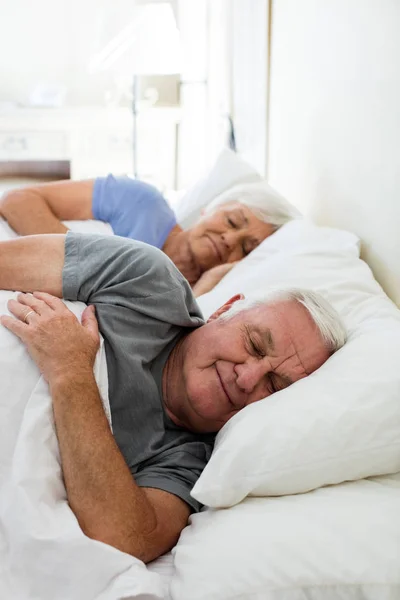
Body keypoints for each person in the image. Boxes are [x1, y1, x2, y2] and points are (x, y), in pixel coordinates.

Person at [0, 232, 346, 564]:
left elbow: (124, 538)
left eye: (274, 385)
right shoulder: (147, 279)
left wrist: (72, 371)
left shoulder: (195, 464)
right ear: (224, 310)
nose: (247, 377)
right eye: (254, 344)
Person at [0, 175, 298, 296]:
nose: (229, 240)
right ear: (209, 210)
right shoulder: (143, 202)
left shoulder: (191, 299)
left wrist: (200, 293)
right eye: (233, 221)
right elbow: (18, 200)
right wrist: (85, 259)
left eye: (247, 248)